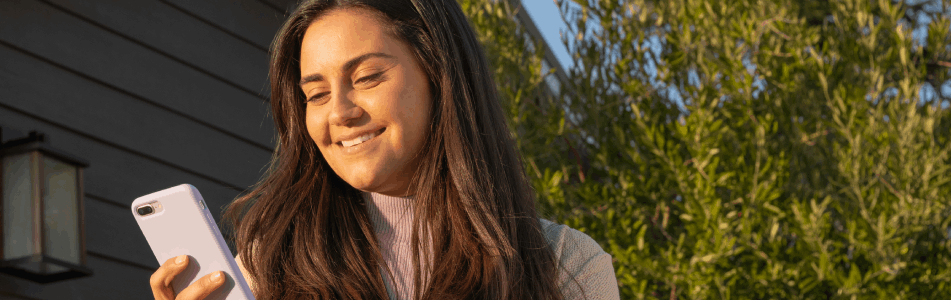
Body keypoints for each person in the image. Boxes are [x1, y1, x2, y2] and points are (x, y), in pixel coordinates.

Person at [149, 0, 619, 299]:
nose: (340, 112)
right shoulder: (270, 261)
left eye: (367, 77)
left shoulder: (564, 263)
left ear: (441, 76)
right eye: (315, 94)